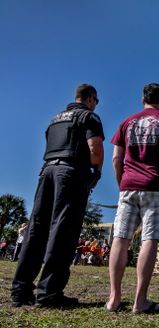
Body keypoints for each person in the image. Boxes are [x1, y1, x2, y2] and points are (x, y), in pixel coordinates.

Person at [11, 84, 104, 308]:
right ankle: (49, 293)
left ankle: (20, 290)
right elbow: (95, 148)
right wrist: (96, 172)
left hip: (46, 171)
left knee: (36, 229)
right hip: (70, 173)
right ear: (90, 99)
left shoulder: (55, 119)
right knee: (64, 230)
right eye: (96, 101)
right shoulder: (89, 117)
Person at [106, 83, 159, 313]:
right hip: (157, 186)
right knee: (149, 239)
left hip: (129, 185)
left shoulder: (126, 122)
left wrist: (122, 184)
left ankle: (114, 298)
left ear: (142, 100)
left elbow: (116, 159)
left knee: (120, 238)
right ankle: (140, 300)